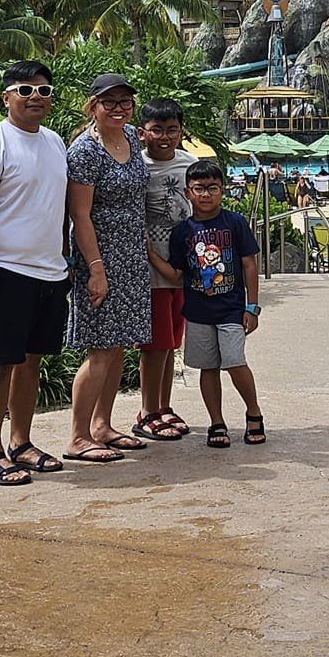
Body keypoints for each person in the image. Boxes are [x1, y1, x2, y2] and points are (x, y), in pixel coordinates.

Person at [0, 61, 71, 486]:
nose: (35, 98)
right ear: (6, 97)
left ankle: (21, 443)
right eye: (25, 90)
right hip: (6, 271)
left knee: (31, 363)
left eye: (44, 90)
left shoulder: (55, 142)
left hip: (50, 273)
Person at [63, 73, 151, 464]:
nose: (118, 108)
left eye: (124, 101)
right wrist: (96, 269)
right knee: (99, 348)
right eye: (109, 102)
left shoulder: (132, 137)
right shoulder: (84, 150)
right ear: (93, 105)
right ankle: (78, 436)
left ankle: (103, 425)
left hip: (131, 253)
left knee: (118, 347)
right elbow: (79, 215)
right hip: (99, 254)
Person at [154, 159, 266, 448]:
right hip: (198, 313)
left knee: (235, 362)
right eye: (199, 189)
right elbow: (177, 274)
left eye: (212, 188)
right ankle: (217, 421)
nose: (205, 195)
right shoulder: (183, 232)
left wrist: (252, 307)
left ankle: (253, 412)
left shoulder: (235, 223)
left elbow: (249, 265)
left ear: (223, 190)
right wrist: (150, 255)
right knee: (208, 367)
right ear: (187, 192)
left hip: (231, 310)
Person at [135, 98, 197, 442]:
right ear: (143, 132)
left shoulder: (190, 164)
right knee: (154, 344)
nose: (164, 136)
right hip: (153, 270)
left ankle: (164, 406)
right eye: (157, 129)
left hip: (183, 269)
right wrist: (157, 262)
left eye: (172, 129)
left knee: (172, 342)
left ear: (180, 131)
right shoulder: (136, 167)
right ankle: (148, 410)